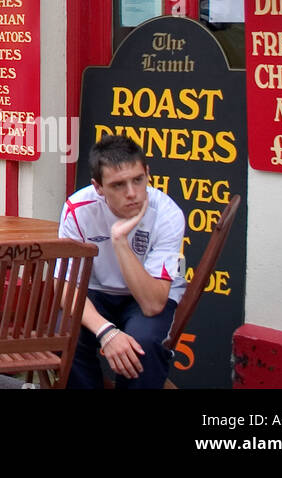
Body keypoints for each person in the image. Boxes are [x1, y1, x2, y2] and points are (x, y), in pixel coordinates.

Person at [59, 134, 187, 389]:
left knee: (144, 343)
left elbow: (152, 304)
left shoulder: (167, 214)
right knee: (62, 335)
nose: (132, 194)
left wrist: (119, 241)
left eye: (138, 180)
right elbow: (65, 287)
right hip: (95, 291)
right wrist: (107, 331)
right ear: (98, 187)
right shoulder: (78, 208)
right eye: (118, 185)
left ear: (147, 173)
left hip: (147, 294)